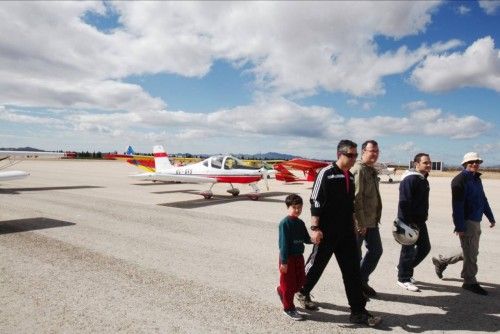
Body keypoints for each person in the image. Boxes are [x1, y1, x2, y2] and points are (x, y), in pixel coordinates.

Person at [296, 139, 382, 327]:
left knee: (352, 272)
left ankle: (358, 312)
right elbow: (316, 200)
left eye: (354, 155)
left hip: (346, 233)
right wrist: (315, 228)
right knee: (317, 265)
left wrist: (354, 225)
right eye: (349, 155)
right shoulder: (326, 173)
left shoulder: (349, 177)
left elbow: (351, 205)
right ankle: (300, 290)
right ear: (338, 154)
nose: (353, 159)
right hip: (327, 231)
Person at [431, 152, 495, 295]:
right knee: (471, 252)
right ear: (465, 164)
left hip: (476, 219)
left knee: (470, 251)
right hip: (467, 221)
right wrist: (459, 226)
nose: (475, 164)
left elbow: (483, 199)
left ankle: (442, 261)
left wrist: (490, 217)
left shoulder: (476, 179)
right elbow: (457, 206)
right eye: (471, 162)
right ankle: (469, 281)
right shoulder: (459, 180)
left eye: (477, 162)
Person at [351, 140, 383, 298]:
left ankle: (361, 281)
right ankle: (356, 288)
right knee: (356, 256)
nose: (375, 154)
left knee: (376, 250)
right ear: (363, 151)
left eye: (377, 151)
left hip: (372, 220)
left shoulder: (371, 170)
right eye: (372, 151)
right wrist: (360, 222)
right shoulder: (359, 170)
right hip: (361, 222)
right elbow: (356, 198)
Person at [396, 153, 432, 292]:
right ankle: (403, 278)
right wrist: (405, 224)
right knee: (408, 251)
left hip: (419, 221)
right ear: (416, 164)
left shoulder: (423, 179)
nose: (428, 165)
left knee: (425, 248)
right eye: (425, 163)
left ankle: (403, 268)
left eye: (429, 162)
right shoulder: (410, 179)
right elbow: (404, 202)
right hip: (408, 222)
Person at [277, 194, 313, 320]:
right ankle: (289, 308)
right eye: (294, 207)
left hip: (299, 257)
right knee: (289, 284)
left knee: (300, 282)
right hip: (288, 258)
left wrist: (314, 240)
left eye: (300, 207)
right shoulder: (285, 224)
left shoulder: (300, 223)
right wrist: (284, 262)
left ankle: (281, 290)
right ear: (288, 207)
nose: (297, 210)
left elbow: (306, 238)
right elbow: (283, 244)